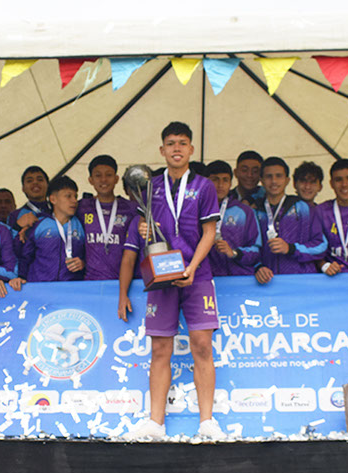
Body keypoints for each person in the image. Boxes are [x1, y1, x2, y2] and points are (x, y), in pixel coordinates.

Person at [120, 121, 225, 440]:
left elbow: (210, 232)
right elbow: (146, 226)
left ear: (191, 149)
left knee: (202, 345)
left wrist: (192, 267)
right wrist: (143, 229)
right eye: (170, 143)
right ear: (162, 150)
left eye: (182, 143)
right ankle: (155, 423)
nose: (176, 148)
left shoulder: (204, 186)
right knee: (160, 347)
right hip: (161, 273)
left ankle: (207, 421)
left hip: (197, 274)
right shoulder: (150, 186)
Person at [253, 157, 327, 284]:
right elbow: (249, 247)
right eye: (269, 176)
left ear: (287, 180)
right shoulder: (254, 212)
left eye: (279, 176)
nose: (274, 181)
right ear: (261, 180)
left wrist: (291, 248)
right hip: (268, 282)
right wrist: (258, 267)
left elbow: (321, 246)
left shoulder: (304, 208)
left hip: (301, 282)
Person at [77, 155, 138, 280]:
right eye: (98, 175)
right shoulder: (81, 207)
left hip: (122, 281)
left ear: (116, 179)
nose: (103, 180)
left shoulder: (131, 208)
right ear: (90, 180)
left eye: (109, 175)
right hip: (89, 281)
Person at [19, 177, 86, 282]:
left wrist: (83, 263)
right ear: (53, 199)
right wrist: (21, 277)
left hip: (71, 287)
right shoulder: (39, 224)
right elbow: (25, 257)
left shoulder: (81, 224)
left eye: (75, 196)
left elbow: (91, 254)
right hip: (41, 287)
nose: (74, 201)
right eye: (68, 196)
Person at [201, 160, 262, 277]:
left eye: (225, 180)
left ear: (230, 183)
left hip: (238, 278)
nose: (220, 185)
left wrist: (234, 253)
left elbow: (256, 251)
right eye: (215, 179)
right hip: (206, 278)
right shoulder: (197, 211)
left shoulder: (245, 212)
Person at [7, 166, 51, 236]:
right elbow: (9, 241)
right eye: (29, 181)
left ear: (48, 185)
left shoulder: (59, 209)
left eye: (40, 180)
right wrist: (17, 226)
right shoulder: (15, 216)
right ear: (23, 188)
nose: (35, 182)